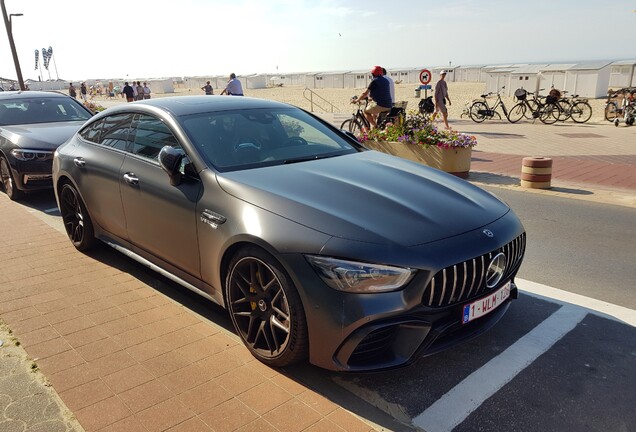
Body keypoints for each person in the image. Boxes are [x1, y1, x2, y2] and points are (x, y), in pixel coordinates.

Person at [352, 65, 392, 130]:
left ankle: (375, 126)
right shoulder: (386, 81)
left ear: (373, 74)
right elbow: (380, 91)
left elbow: (365, 93)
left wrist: (357, 100)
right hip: (388, 105)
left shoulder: (374, 81)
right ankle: (374, 128)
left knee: (366, 112)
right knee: (374, 110)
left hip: (381, 105)